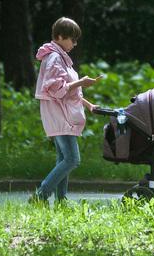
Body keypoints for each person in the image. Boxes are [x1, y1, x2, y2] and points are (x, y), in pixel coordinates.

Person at [30, 17, 103, 206]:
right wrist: (82, 81)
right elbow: (56, 88)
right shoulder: (54, 57)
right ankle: (41, 195)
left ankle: (61, 202)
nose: (75, 43)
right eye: (73, 39)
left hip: (62, 114)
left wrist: (88, 105)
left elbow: (69, 92)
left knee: (63, 160)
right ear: (61, 36)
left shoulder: (59, 56)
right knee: (72, 159)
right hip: (60, 116)